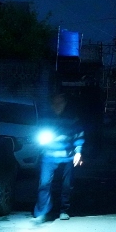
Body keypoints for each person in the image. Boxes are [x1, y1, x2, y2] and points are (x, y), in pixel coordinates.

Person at [33, 93, 85, 223]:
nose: (57, 105)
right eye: (55, 103)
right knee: (44, 183)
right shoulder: (46, 118)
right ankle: (42, 211)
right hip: (49, 156)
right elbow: (39, 133)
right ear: (51, 104)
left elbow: (78, 135)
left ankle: (64, 210)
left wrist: (78, 152)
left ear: (65, 103)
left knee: (67, 185)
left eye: (60, 102)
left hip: (67, 157)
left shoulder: (72, 118)